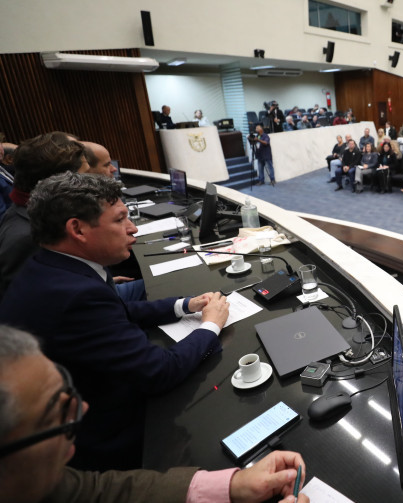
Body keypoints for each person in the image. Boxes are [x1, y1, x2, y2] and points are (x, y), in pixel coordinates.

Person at [0, 172, 231, 471]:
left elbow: (116, 311)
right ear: (78, 229)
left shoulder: (53, 267)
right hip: (105, 442)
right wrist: (210, 326)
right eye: (120, 219)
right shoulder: (75, 295)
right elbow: (159, 371)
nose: (133, 228)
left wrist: (183, 306)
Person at [0, 325, 308, 503]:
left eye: (67, 390)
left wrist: (232, 485)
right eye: (54, 411)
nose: (82, 409)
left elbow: (98, 492)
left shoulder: (42, 480)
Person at [0, 133, 90, 299]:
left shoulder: (31, 213)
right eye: (83, 178)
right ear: (58, 185)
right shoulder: (28, 237)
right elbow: (30, 310)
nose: (90, 183)